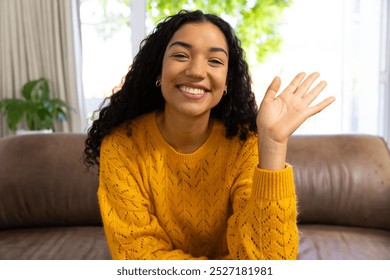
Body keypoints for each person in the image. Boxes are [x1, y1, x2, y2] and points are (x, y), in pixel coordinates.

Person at [84, 10, 335, 260]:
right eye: (181, 55)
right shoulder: (121, 146)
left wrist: (273, 143)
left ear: (226, 82)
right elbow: (138, 257)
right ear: (158, 72)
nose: (196, 71)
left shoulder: (245, 144)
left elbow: (271, 262)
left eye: (214, 61)